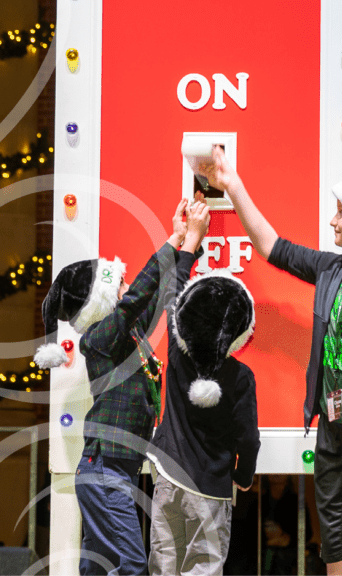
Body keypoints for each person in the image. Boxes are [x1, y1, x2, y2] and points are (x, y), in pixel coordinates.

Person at [197, 148, 342, 575]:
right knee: (338, 551)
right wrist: (232, 184)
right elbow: (271, 246)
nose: (333, 221)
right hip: (333, 437)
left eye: (341, 214)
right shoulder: (332, 270)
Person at [33, 200, 193, 575]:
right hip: (104, 470)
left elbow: (153, 300)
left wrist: (187, 244)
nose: (123, 285)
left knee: (98, 567)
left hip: (112, 469)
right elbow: (137, 299)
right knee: (130, 564)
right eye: (116, 282)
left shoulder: (128, 336)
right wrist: (171, 241)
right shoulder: (99, 338)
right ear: (99, 300)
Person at [147, 200, 263, 575]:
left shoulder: (179, 356)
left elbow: (172, 297)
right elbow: (248, 438)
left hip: (167, 476)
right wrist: (243, 477)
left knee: (164, 565)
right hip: (211, 488)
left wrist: (189, 244)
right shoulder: (241, 377)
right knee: (204, 568)